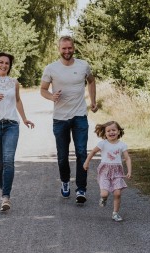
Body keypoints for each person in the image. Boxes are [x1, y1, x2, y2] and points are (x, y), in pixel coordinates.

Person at [40, 35, 98, 204]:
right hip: (60, 118)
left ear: (74, 48)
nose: (67, 51)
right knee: (63, 156)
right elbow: (43, 90)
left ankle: (81, 189)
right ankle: (65, 181)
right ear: (59, 49)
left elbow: (91, 81)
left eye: (69, 48)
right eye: (64, 48)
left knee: (81, 152)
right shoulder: (51, 68)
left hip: (80, 115)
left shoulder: (83, 65)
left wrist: (93, 101)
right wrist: (51, 96)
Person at [0, 52, 34, 212]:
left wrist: (24, 119)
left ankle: (6, 197)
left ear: (9, 67)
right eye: (1, 62)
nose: (4, 65)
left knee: (9, 160)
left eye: (7, 63)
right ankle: (3, 188)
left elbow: (17, 100)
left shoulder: (14, 82)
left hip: (11, 125)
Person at [83, 121, 132, 222]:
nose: (111, 132)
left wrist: (129, 171)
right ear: (105, 133)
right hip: (104, 172)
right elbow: (92, 152)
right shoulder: (102, 144)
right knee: (104, 194)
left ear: (118, 132)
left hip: (117, 172)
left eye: (113, 130)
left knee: (117, 193)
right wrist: (86, 162)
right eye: (108, 131)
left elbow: (127, 158)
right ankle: (104, 198)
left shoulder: (122, 145)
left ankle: (115, 213)